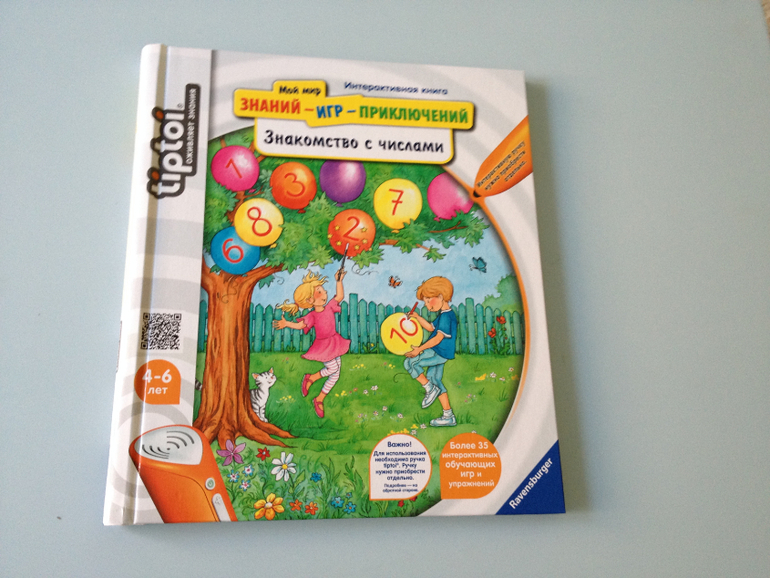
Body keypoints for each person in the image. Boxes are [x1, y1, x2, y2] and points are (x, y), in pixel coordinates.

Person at [274, 270, 350, 418]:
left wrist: (339, 281)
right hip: (324, 346)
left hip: (334, 341)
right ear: (310, 300)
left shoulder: (329, 306)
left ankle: (319, 399)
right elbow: (301, 325)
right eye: (319, 291)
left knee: (336, 374)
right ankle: (312, 378)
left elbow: (339, 296)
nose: (325, 292)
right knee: (333, 368)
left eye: (322, 290)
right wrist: (287, 323)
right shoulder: (313, 315)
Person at [404, 276, 457, 427]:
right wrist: (417, 317)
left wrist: (419, 349)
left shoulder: (446, 317)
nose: (427, 305)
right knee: (435, 379)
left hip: (438, 352)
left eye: (428, 300)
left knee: (410, 363)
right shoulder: (445, 314)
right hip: (443, 353)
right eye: (425, 302)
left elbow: (438, 338)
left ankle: (429, 389)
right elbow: (430, 328)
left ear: (440, 296)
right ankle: (448, 416)